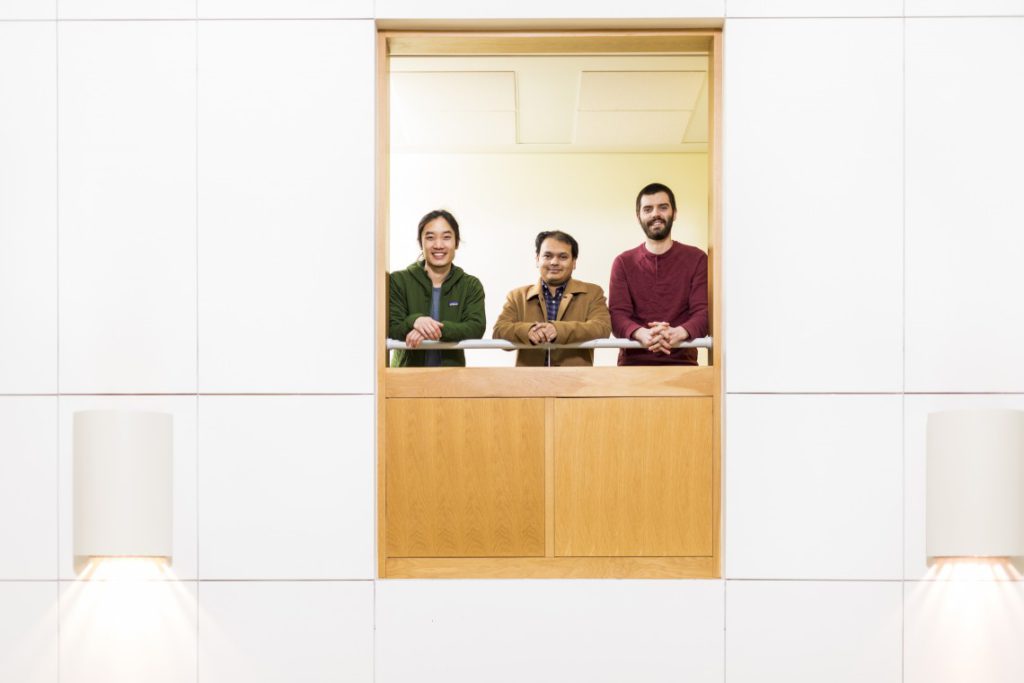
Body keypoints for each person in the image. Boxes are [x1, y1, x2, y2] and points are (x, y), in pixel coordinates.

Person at [609, 182, 708, 366]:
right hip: (632, 366)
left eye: (663, 207)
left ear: (674, 213)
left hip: (683, 365)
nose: (655, 214)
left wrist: (678, 333)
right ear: (638, 216)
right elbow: (617, 316)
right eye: (648, 209)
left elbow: (703, 313)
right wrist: (642, 334)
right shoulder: (623, 262)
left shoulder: (697, 259)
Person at [493, 230, 611, 367]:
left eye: (563, 257)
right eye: (547, 256)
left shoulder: (593, 293)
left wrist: (557, 330)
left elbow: (602, 328)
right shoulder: (517, 296)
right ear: (537, 259)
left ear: (574, 262)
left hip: (577, 382)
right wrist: (528, 331)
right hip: (528, 383)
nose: (554, 262)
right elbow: (499, 331)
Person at [388, 209, 485, 367]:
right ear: (421, 243)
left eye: (446, 237)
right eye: (430, 237)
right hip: (404, 378)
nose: (438, 245)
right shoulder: (398, 281)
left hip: (450, 379)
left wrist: (429, 329)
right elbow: (391, 327)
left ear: (457, 242)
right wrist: (415, 320)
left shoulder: (470, 285)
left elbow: (475, 327)